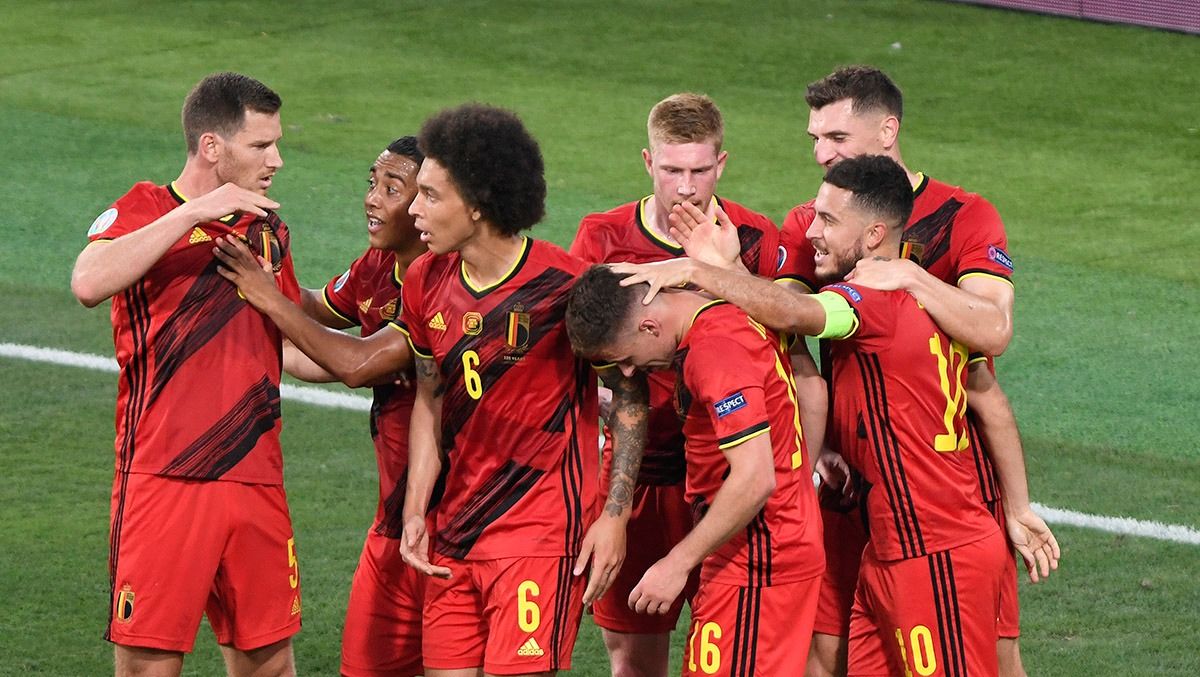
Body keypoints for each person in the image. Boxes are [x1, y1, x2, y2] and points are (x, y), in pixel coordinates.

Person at [614, 154, 1048, 676]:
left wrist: (695, 270)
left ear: (873, 235)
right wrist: (1018, 508)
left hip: (933, 549)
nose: (811, 231)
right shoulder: (932, 297)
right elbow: (988, 399)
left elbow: (795, 314)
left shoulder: (870, 299)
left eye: (828, 220)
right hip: (891, 548)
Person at [568, 92, 821, 677]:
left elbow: (798, 342)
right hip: (649, 477)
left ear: (722, 164)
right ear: (647, 162)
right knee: (634, 652)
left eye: (700, 171)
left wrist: (722, 272)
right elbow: (612, 377)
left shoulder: (752, 237)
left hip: (741, 483)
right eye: (672, 170)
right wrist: (615, 507)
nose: (686, 187)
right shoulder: (603, 238)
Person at [393, 103, 648, 676]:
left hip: (540, 536)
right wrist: (416, 510)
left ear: (479, 205)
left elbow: (629, 400)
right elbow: (429, 399)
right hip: (454, 536)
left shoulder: (565, 287)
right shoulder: (424, 282)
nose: (414, 210)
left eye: (431, 196)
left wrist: (614, 515)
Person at [69, 72, 300, 677]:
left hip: (255, 477)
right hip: (165, 476)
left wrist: (400, 356)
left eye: (276, 144)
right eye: (260, 145)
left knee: (270, 664)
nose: (276, 159)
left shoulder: (268, 230)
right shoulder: (145, 208)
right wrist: (197, 212)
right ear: (212, 147)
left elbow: (287, 348)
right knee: (149, 665)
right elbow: (89, 282)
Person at [214, 136, 427, 676]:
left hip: (455, 522)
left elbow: (356, 364)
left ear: (426, 201)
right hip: (395, 519)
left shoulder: (448, 285)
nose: (372, 200)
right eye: (372, 184)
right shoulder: (379, 266)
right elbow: (321, 313)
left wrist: (265, 296)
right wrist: (271, 271)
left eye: (391, 189)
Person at [564, 265, 825, 677]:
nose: (630, 372)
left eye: (626, 358)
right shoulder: (722, 309)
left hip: (758, 558)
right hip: (756, 549)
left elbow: (755, 477)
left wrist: (677, 562)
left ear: (649, 325)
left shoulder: (713, 352)